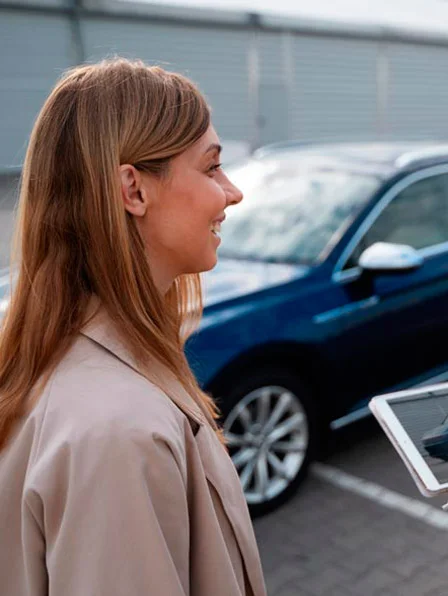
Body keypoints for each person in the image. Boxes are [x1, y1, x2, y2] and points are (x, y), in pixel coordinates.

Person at [0, 59, 266, 595]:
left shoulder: (73, 356)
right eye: (212, 167)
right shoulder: (118, 432)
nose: (232, 193)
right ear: (133, 190)